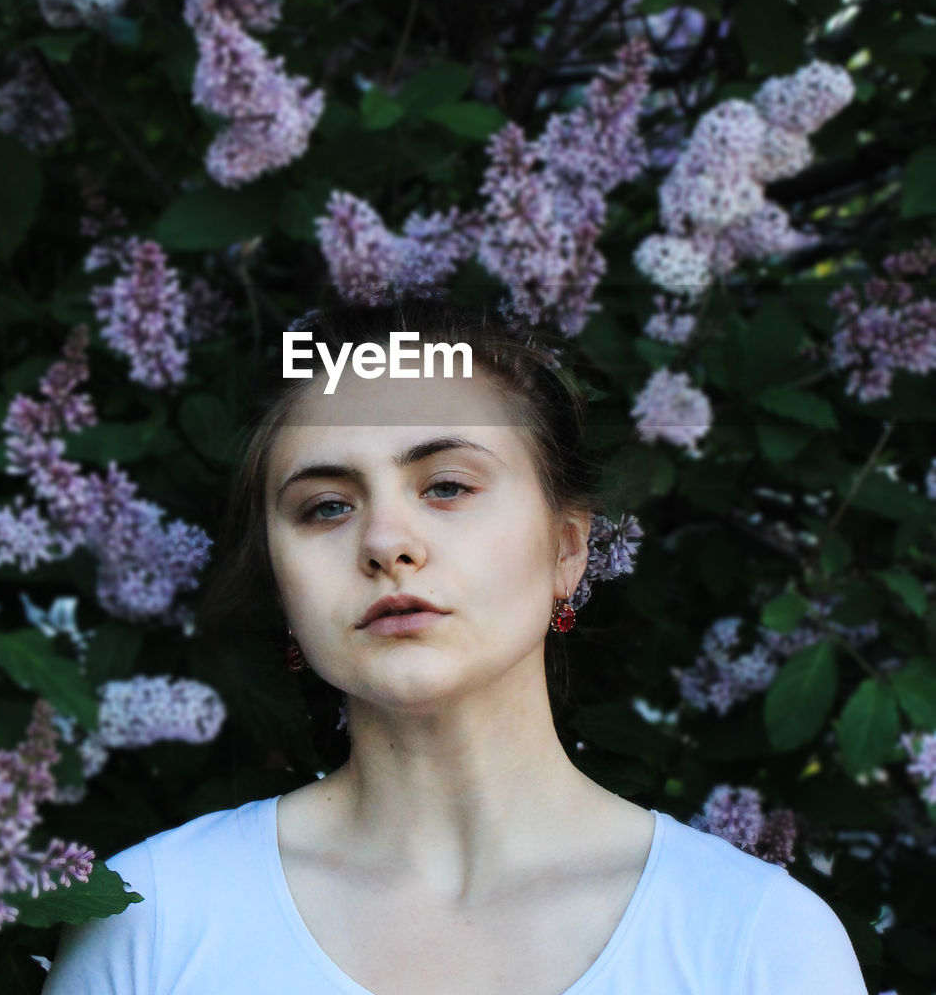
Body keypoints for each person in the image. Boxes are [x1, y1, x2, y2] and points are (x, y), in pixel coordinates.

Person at [42, 300, 868, 994]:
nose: (386, 541)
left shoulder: (755, 940)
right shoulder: (150, 920)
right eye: (325, 506)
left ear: (567, 549)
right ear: (281, 582)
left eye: (446, 486)